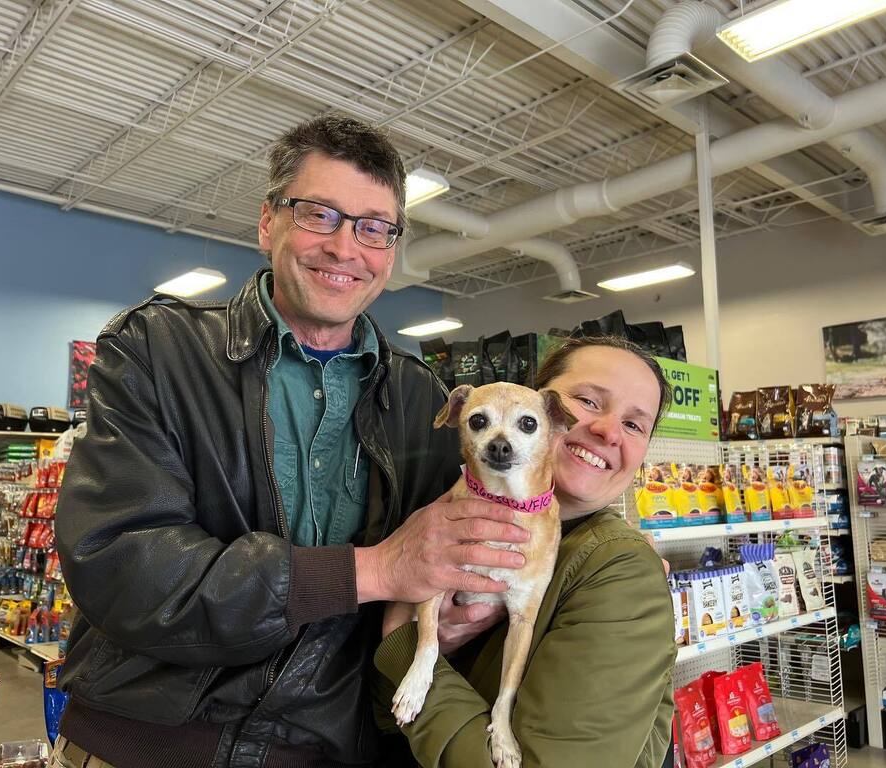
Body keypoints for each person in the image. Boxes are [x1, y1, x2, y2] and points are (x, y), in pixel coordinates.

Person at [52, 116, 530, 768]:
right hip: (143, 744)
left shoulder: (424, 400)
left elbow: (468, 544)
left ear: (391, 250)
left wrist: (456, 611)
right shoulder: (157, 350)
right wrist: (374, 569)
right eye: (319, 215)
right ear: (267, 222)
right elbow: (121, 565)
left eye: (373, 228)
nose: (344, 247)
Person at [373, 336, 677, 768]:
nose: (608, 431)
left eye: (633, 425)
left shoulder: (622, 572)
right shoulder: (445, 513)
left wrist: (399, 635)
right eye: (588, 401)